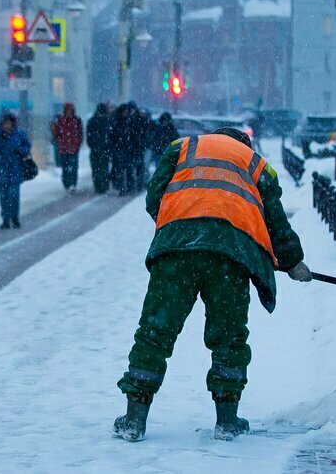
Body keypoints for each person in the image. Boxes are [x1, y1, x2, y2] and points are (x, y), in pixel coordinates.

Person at [113, 127, 311, 443]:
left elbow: (154, 196)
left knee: (156, 330)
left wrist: (180, 224)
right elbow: (275, 221)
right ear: (243, 144)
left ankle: (135, 418)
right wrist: (292, 261)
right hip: (230, 256)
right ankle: (227, 420)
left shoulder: (182, 147)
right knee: (228, 335)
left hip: (176, 250)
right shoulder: (258, 165)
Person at [0, 113, 31, 229]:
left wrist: (20, 150)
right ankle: (6, 219)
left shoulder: (20, 135)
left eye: (9, 123)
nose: (7, 125)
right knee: (3, 197)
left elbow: (27, 148)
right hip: (1, 170)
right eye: (5, 123)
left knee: (14, 195)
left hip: (15, 169)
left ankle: (14, 217)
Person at [52, 103, 84, 193]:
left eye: (70, 110)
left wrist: (77, 143)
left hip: (74, 148)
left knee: (73, 167)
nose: (69, 112)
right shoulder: (61, 121)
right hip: (64, 148)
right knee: (65, 167)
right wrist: (60, 142)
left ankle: (73, 184)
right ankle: (67, 184)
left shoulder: (77, 120)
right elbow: (56, 134)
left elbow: (80, 133)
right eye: (67, 110)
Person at [87, 103, 113, 194]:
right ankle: (102, 187)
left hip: (99, 149)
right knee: (102, 169)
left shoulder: (93, 121)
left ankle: (100, 186)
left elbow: (89, 136)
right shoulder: (108, 121)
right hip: (102, 149)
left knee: (98, 169)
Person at [109, 103, 134, 195]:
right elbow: (112, 136)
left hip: (126, 149)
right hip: (119, 149)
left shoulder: (128, 122)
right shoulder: (117, 122)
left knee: (127, 169)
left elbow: (133, 135)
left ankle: (127, 187)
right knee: (119, 169)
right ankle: (121, 187)